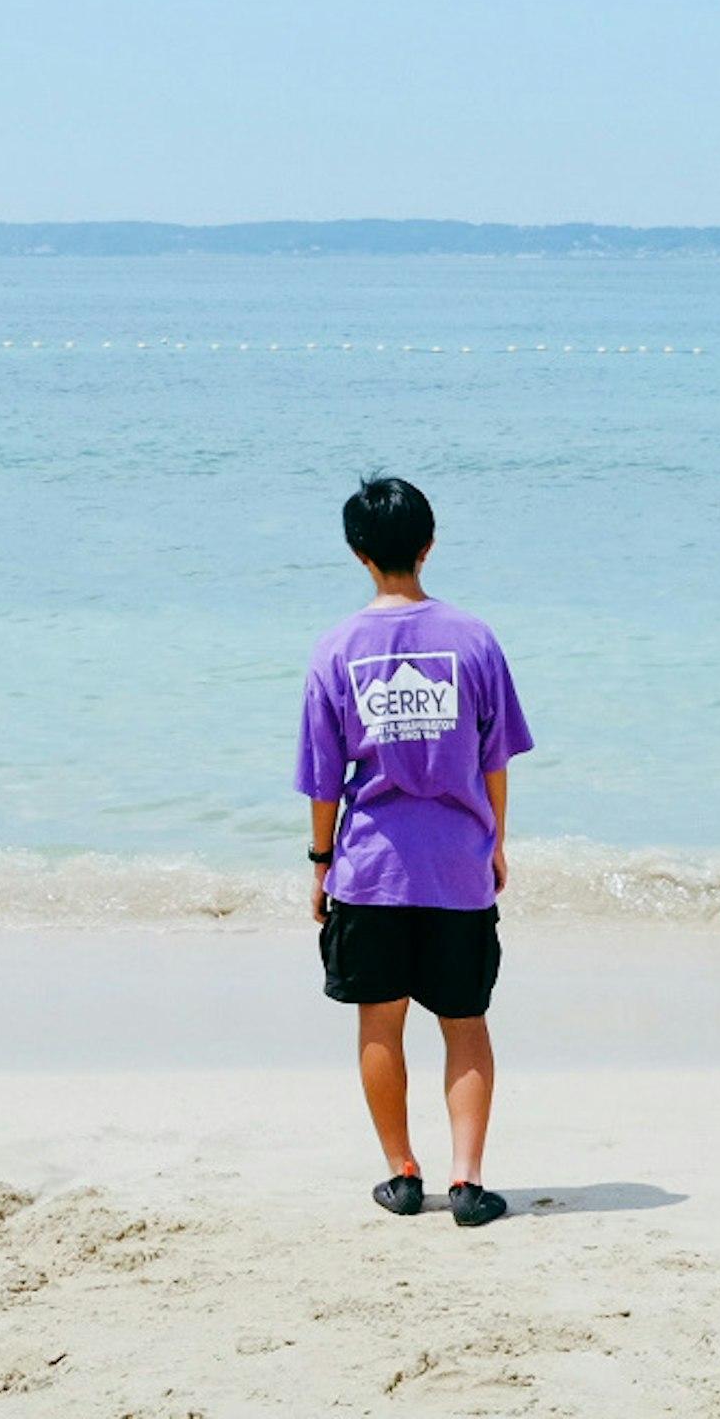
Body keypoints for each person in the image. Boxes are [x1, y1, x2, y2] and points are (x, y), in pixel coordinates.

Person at [296, 474, 534, 1225]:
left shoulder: (336, 648)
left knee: (379, 1022)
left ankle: (401, 1173)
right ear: (428, 545)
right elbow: (494, 758)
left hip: (371, 867)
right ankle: (466, 1182)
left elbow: (322, 774)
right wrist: (494, 842)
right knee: (464, 1022)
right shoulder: (473, 639)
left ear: (358, 552)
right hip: (458, 862)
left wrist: (320, 860)